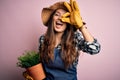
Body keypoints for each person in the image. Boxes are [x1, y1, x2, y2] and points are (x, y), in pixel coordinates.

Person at [23, 0, 101, 80]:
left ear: (69, 22)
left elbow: (95, 49)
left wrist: (81, 26)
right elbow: (41, 66)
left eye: (65, 17)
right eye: (57, 15)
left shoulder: (75, 38)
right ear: (52, 19)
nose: (60, 18)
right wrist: (33, 75)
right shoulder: (43, 39)